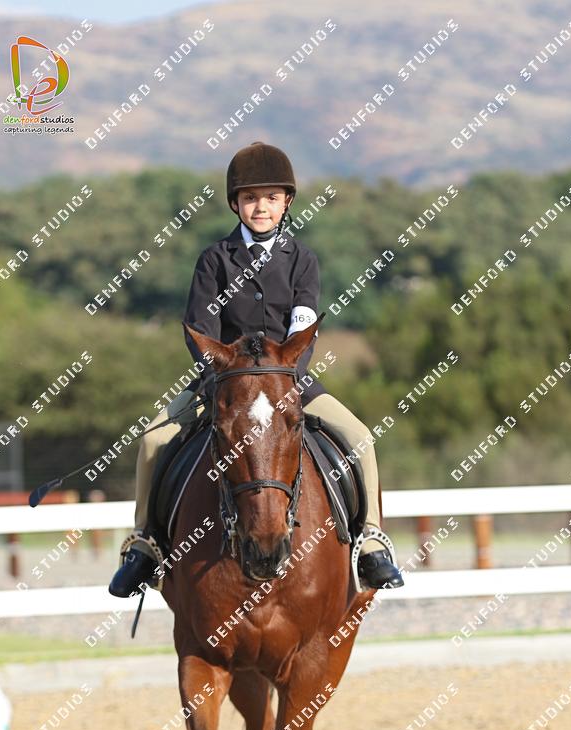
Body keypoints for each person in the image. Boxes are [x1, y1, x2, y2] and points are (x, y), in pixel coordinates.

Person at [109, 141, 404, 597]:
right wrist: (219, 382)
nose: (260, 207)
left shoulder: (302, 260)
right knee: (152, 439)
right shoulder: (214, 260)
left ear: (287, 202)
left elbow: (303, 327)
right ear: (235, 204)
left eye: (270, 197)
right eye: (250, 198)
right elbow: (199, 330)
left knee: (360, 437)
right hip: (223, 382)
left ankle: (370, 541)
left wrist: (283, 379)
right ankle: (145, 544)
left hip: (289, 380)